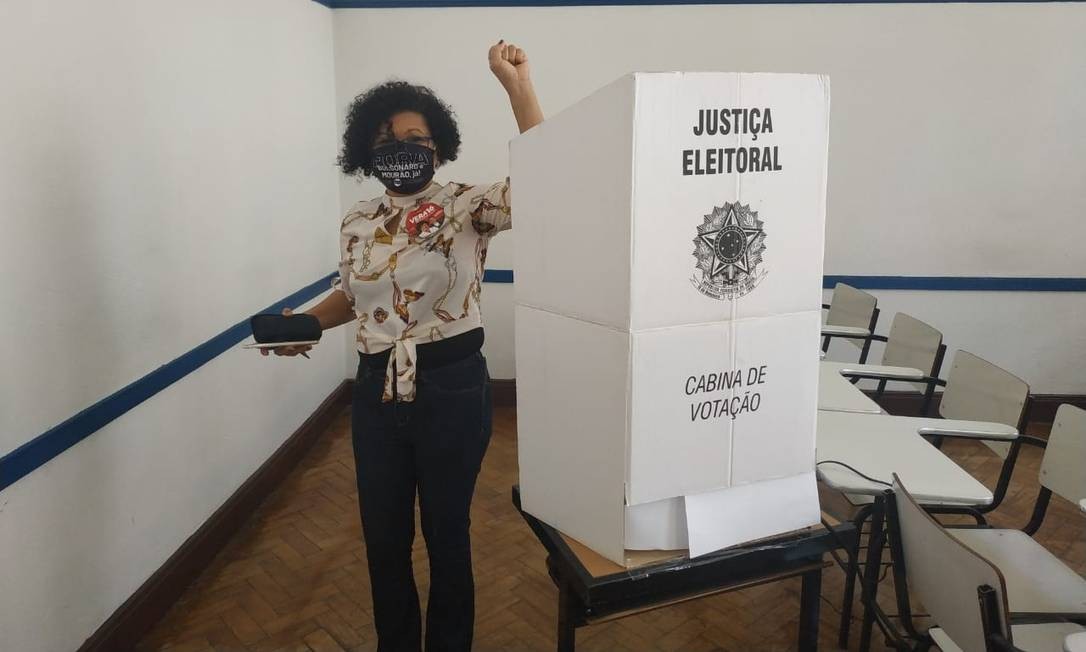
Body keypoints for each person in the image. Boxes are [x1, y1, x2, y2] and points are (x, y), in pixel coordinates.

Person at [260, 40, 543, 652]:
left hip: (453, 386)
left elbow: (550, 178)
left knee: (446, 533)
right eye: (388, 143)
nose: (403, 151)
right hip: (375, 390)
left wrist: (517, 85)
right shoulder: (357, 220)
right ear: (368, 152)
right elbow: (355, 296)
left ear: (437, 145)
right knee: (383, 538)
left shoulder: (468, 206)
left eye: (415, 139)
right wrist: (306, 326)